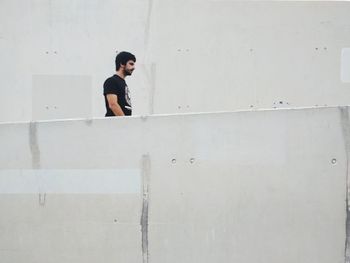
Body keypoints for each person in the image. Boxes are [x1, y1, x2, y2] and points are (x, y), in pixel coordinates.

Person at [103, 51, 136, 116]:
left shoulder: (123, 83)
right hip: (114, 124)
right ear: (122, 64)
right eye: (131, 64)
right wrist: (124, 122)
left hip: (122, 124)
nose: (134, 67)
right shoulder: (111, 81)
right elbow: (113, 104)